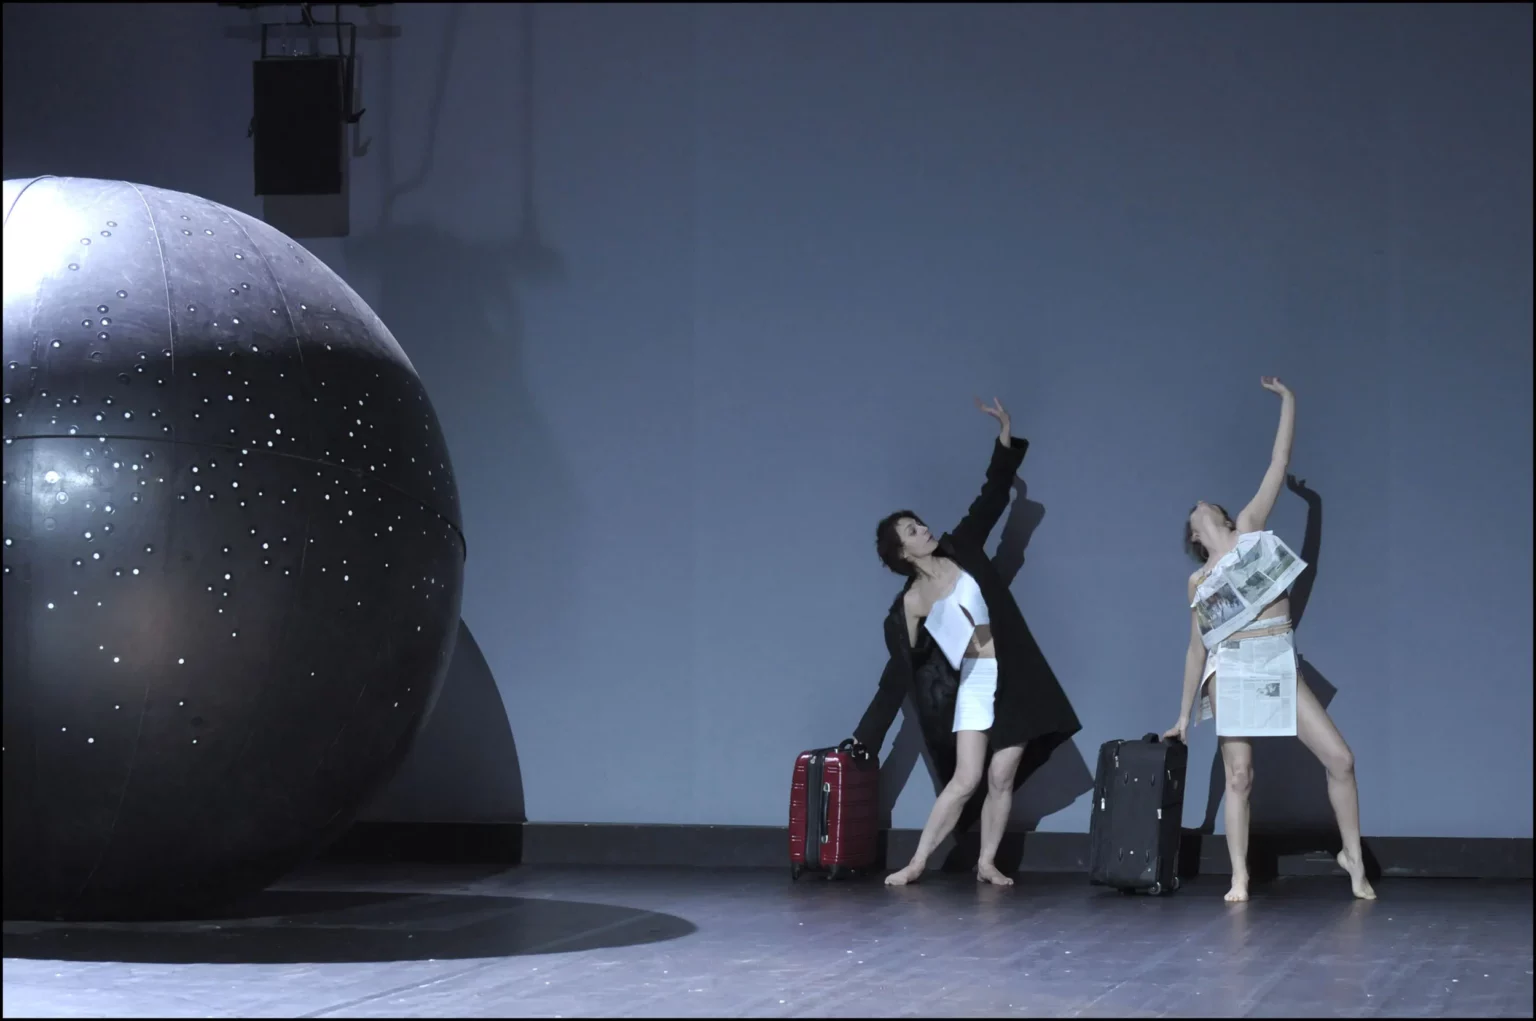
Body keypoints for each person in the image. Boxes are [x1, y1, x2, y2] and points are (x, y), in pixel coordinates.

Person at [853, 397, 1082, 887]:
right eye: (912, 530)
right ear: (902, 552)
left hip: (1012, 677)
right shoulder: (912, 602)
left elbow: (991, 499)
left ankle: (987, 862)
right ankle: (917, 863)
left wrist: (1005, 437)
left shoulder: (961, 548)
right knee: (966, 779)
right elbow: (904, 665)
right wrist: (868, 731)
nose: (923, 529)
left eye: (919, 523)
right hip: (974, 680)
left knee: (1002, 776)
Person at [1165, 377, 1376, 903]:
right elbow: (1196, 649)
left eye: (1206, 502)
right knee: (1239, 776)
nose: (1200, 502)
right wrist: (1183, 716)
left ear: (1219, 518)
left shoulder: (1252, 529)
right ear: (1195, 535)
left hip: (1276, 657)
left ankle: (1352, 857)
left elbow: (1278, 464)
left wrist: (1289, 401)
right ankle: (1239, 876)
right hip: (1231, 667)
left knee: (1341, 759)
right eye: (1194, 509)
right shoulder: (1198, 581)